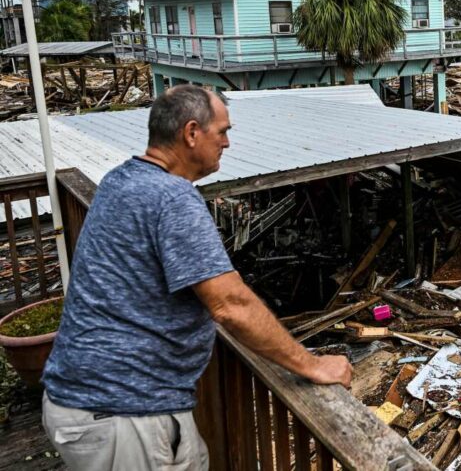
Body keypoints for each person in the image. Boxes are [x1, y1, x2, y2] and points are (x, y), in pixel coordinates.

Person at [41, 86, 351, 470]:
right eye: (221, 131)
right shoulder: (172, 198)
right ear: (191, 133)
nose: (227, 143)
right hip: (123, 410)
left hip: (90, 401)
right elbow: (230, 304)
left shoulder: (120, 180)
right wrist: (312, 365)